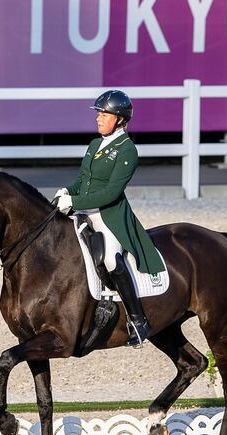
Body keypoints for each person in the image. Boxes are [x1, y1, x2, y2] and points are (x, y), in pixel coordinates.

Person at [55, 90, 165, 347]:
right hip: (83, 210)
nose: (99, 118)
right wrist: (67, 192)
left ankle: (138, 321)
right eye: (99, 114)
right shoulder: (95, 145)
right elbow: (83, 180)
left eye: (104, 114)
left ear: (120, 119)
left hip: (108, 215)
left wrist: (75, 202)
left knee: (110, 259)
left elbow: (111, 193)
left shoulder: (127, 150)